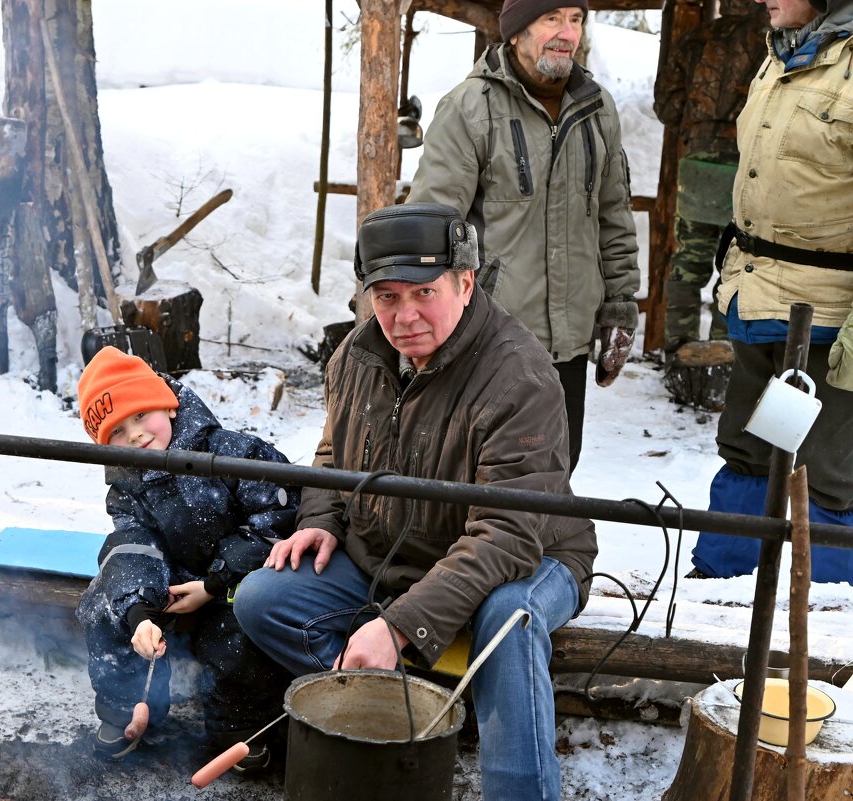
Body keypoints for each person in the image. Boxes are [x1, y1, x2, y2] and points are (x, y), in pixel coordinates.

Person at [234, 203, 598, 800]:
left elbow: (506, 536)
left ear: (465, 281)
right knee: (264, 599)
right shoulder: (358, 354)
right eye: (386, 296)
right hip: (392, 551)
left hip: (528, 558)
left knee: (509, 624)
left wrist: (399, 627)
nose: (404, 316)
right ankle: (403, 718)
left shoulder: (519, 376)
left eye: (424, 293)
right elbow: (333, 453)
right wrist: (322, 517)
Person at [406, 0, 640, 473]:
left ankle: (545, 552)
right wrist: (427, 319)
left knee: (555, 469)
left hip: (568, 341)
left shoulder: (596, 109)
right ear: (515, 31)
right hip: (490, 337)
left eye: (575, 20)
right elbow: (432, 227)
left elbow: (613, 215)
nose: (566, 33)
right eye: (551, 18)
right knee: (483, 475)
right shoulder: (470, 108)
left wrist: (619, 305)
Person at [689, 0, 853, 582]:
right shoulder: (781, 57)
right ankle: (724, 590)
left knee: (827, 471)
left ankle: (827, 611)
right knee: (749, 448)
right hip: (759, 297)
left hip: (830, 319)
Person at [74, 346, 298, 768]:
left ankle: (239, 726)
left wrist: (214, 584)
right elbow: (133, 545)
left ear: (169, 406)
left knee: (236, 624)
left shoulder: (234, 452)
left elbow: (279, 516)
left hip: (236, 576)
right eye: (117, 432)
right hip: (174, 580)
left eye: (141, 415)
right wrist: (139, 611)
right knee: (105, 603)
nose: (136, 435)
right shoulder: (126, 487)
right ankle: (129, 707)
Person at [653, 0, 768, 355]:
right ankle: (723, 352)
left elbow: (666, 103)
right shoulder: (771, 39)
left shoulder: (695, 37)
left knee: (689, 259)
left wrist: (696, 128)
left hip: (698, 161)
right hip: (748, 165)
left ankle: (679, 348)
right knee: (736, 264)